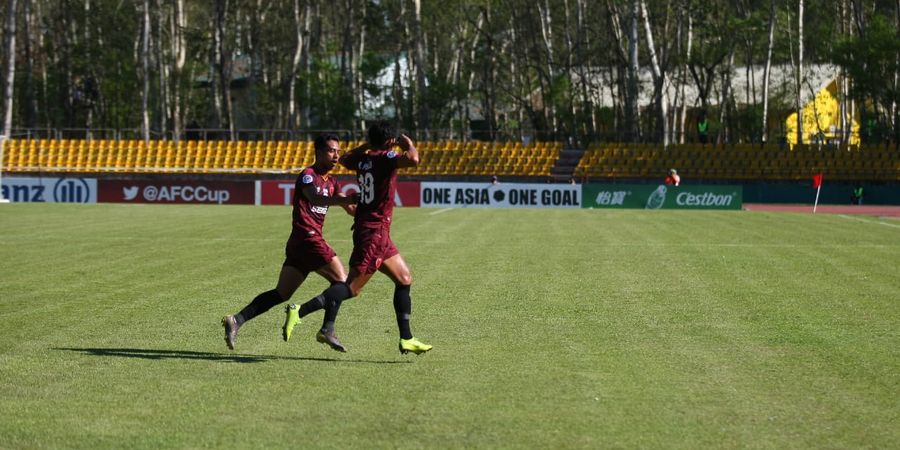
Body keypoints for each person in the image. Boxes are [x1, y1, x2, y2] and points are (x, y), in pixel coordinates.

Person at [283, 120, 432, 355]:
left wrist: (369, 145)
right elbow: (413, 159)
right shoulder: (386, 158)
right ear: (390, 141)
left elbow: (345, 159)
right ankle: (299, 311)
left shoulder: (364, 159)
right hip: (374, 232)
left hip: (376, 231)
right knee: (351, 288)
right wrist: (409, 144)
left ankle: (407, 338)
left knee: (404, 279)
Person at [221, 133, 358, 350]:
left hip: (299, 244)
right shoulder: (308, 175)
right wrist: (345, 198)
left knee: (281, 293)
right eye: (332, 151)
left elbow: (351, 209)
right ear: (320, 152)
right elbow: (315, 198)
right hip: (308, 238)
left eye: (338, 151)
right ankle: (326, 329)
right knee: (343, 282)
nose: (336, 155)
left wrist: (366, 209)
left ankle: (236, 320)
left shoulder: (332, 182)